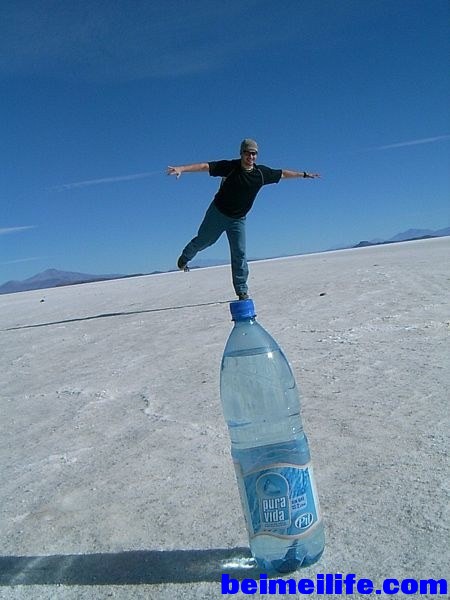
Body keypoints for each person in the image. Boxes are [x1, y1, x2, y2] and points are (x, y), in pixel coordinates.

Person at [167, 139, 320, 300]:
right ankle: (185, 258)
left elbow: (282, 174)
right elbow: (205, 166)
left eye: (253, 154)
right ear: (241, 153)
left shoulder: (261, 173)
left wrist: (303, 175)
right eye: (247, 153)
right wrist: (181, 168)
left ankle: (241, 290)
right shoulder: (231, 167)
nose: (250, 157)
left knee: (239, 253)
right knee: (204, 241)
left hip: (238, 220)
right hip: (217, 213)